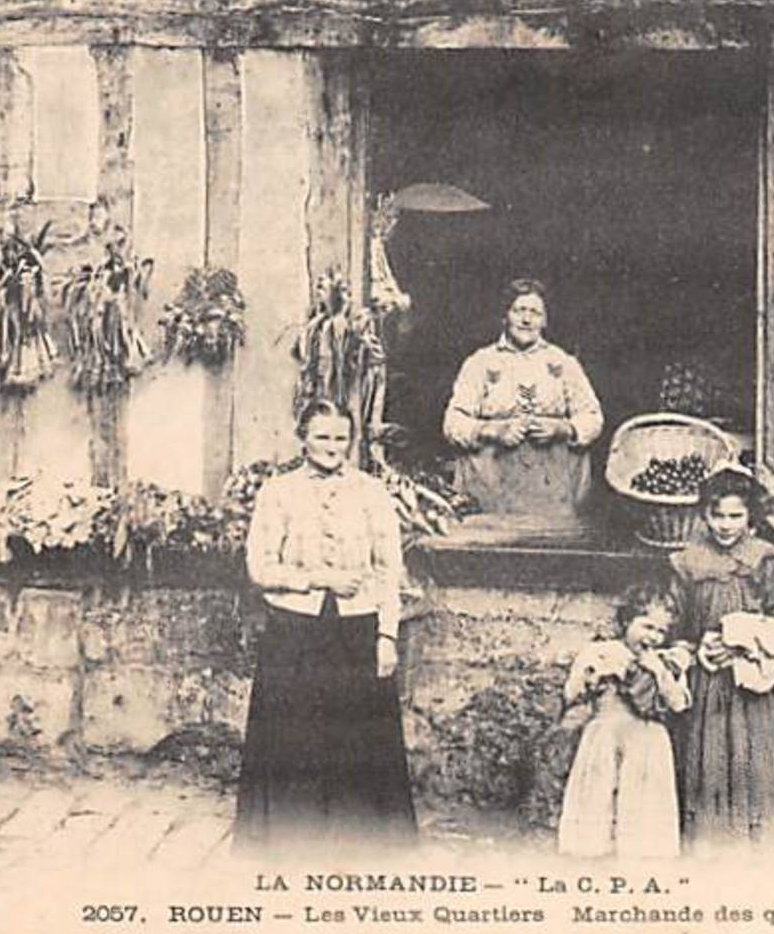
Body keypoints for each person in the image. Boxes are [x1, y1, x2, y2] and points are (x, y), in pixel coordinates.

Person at [234, 399, 417, 853]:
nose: (332, 447)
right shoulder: (278, 491)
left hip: (357, 631)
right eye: (322, 436)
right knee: (295, 733)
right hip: (295, 631)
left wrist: (387, 635)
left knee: (355, 736)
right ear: (303, 437)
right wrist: (317, 578)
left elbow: (389, 569)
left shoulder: (372, 492)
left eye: (341, 438)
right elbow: (259, 567)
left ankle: (355, 839)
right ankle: (293, 834)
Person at [667, 466, 774, 846]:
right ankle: (709, 842)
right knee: (708, 755)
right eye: (717, 515)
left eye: (735, 515)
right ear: (703, 515)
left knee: (753, 756)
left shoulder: (766, 559)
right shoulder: (688, 562)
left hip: (751, 682)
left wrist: (743, 644)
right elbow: (676, 624)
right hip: (708, 681)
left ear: (750, 516)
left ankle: (755, 842)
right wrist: (697, 649)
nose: (725, 525)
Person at [442, 279, 603, 520]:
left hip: (553, 490)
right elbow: (453, 422)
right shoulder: (480, 362)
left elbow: (592, 417)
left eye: (535, 312)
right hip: (491, 486)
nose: (527, 320)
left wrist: (564, 428)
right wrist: (492, 430)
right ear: (505, 316)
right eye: (519, 311)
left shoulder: (564, 363)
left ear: (545, 320)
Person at [557, 583, 694, 859]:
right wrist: (589, 678)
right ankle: (591, 850)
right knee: (597, 792)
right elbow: (571, 692)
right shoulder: (602, 651)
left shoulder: (666, 662)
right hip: (605, 732)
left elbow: (679, 703)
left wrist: (659, 674)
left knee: (643, 796)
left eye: (661, 631)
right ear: (626, 622)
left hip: (647, 738)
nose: (653, 637)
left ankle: (641, 853)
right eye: (647, 626)